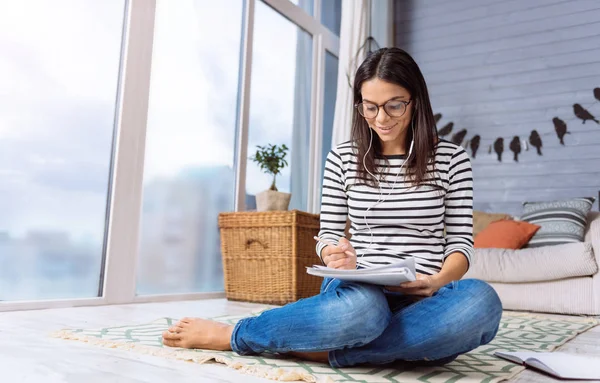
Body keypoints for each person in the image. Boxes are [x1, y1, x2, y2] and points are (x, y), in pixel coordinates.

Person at [162, 47, 502, 368]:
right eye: (370, 106)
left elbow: (459, 243)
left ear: (416, 102)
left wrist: (439, 280)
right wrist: (333, 254)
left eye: (394, 106)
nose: (381, 118)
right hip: (360, 292)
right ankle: (237, 334)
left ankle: (330, 351)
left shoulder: (452, 159)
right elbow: (328, 235)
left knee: (481, 303)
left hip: (426, 300)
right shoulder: (342, 157)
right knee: (362, 315)